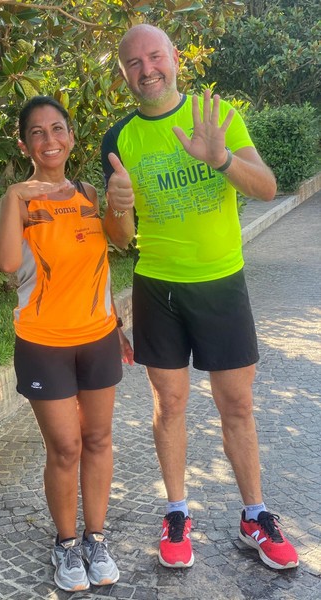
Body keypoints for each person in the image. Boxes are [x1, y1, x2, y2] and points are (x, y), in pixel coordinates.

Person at [101, 24, 299, 571]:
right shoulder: (119, 140)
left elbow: (266, 186)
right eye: (134, 63)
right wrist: (117, 206)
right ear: (124, 74)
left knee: (236, 403)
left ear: (174, 58)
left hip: (221, 282)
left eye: (155, 56)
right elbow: (120, 239)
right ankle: (176, 512)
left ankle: (254, 515)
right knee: (171, 405)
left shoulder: (219, 115)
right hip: (157, 286)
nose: (147, 69)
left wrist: (221, 161)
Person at [0, 96, 133, 592]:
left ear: (71, 137)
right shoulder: (21, 199)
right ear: (24, 142)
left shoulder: (91, 193)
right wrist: (14, 199)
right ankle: (67, 543)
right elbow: (7, 263)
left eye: (57, 129)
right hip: (42, 341)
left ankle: (96, 537)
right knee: (66, 446)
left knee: (98, 440)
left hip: (97, 336)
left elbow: (116, 246)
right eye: (37, 132)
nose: (49, 140)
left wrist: (121, 203)